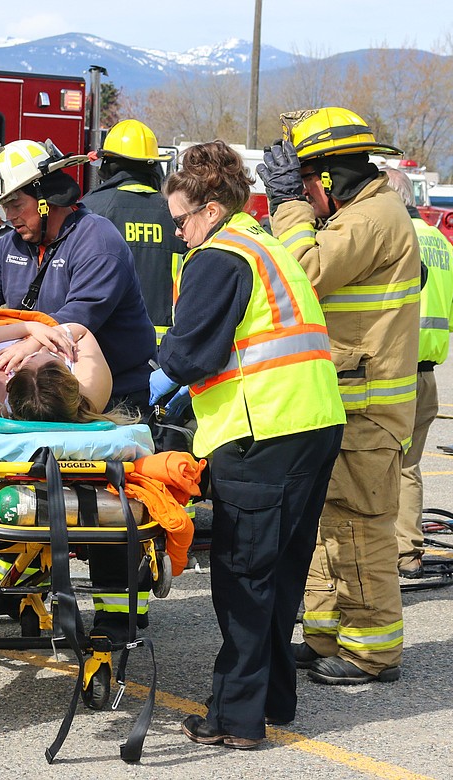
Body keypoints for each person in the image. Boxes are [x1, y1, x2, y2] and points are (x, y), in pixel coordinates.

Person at [151, 141, 344, 749]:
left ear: (209, 210)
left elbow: (188, 355)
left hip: (262, 432)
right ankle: (273, 700)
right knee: (282, 574)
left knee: (242, 579)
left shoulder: (219, 256)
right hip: (312, 423)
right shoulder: (265, 244)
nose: (179, 234)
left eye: (181, 220)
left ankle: (234, 719)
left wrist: (148, 377)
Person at [0, 138, 157, 638]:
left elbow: (73, 328)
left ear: (45, 197)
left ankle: (119, 611)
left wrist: (19, 338)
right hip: (38, 395)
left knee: (106, 503)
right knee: (20, 489)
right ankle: (13, 586)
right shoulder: (12, 246)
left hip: (109, 391)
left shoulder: (96, 241)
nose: (5, 215)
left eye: (14, 204)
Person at [260, 107, 421, 685]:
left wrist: (287, 206)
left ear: (326, 179)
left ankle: (371, 651)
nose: (303, 192)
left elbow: (303, 270)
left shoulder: (374, 217)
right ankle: (330, 634)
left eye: (306, 181)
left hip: (368, 410)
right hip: (346, 401)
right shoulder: (358, 214)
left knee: (358, 528)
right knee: (331, 525)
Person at [382, 168, 453, 578]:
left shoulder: (391, 237)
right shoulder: (443, 244)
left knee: (366, 467)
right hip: (425, 375)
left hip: (388, 373)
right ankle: (407, 553)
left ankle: (376, 555)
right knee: (408, 467)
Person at [81, 120, 186, 333]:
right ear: (154, 165)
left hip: (104, 345)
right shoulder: (177, 212)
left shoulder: (89, 209)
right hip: (167, 344)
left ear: (107, 164)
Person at [0, 317, 113, 420]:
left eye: (30, 357)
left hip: (3, 323)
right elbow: (81, 331)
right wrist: (38, 339)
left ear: (11, 380)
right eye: (53, 356)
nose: (42, 349)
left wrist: (28, 330)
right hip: (48, 322)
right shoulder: (91, 396)